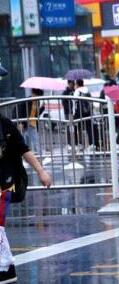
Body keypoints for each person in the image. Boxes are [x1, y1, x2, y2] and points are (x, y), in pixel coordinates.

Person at [0, 115, 52, 283]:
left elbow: (24, 149)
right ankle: (6, 268)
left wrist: (41, 171)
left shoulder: (4, 125)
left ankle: (6, 269)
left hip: (6, 181)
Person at [16, 89, 44, 153]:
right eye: (37, 95)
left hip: (33, 124)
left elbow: (36, 114)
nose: (38, 97)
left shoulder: (37, 102)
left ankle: (36, 156)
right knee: (30, 141)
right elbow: (21, 112)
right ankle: (38, 155)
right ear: (33, 93)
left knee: (31, 142)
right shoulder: (27, 101)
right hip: (26, 123)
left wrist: (42, 108)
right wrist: (21, 123)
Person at [72, 79, 93, 151]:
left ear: (77, 84)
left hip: (80, 113)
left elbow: (74, 103)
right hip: (88, 113)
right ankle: (91, 144)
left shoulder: (77, 91)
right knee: (89, 128)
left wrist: (74, 113)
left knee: (79, 128)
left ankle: (81, 144)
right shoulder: (87, 91)